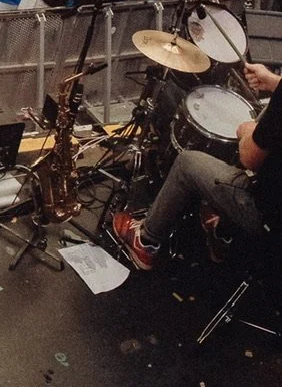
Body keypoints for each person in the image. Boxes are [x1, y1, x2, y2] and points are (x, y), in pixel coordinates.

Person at [113, 58, 282, 272]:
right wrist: (273, 81)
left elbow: (250, 157)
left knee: (188, 162)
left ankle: (145, 241)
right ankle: (221, 232)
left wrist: (247, 131)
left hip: (269, 217)